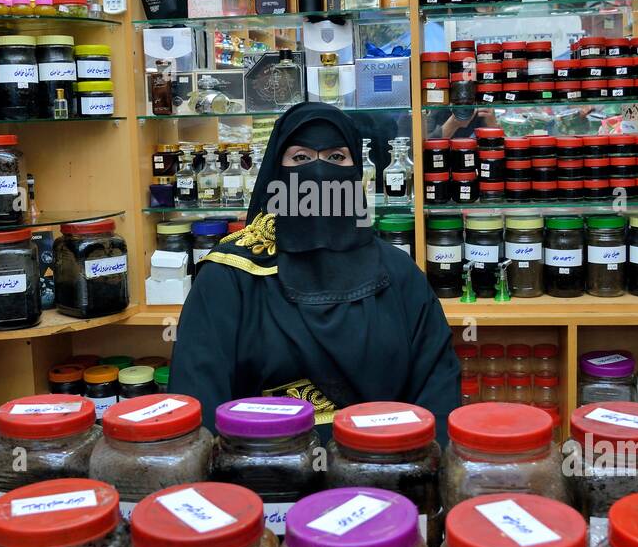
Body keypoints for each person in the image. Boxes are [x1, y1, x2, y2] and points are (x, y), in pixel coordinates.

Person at [168, 103, 460, 430]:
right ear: (276, 175)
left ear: (354, 175)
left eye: (336, 158)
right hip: (260, 471)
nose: (318, 173)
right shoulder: (230, 277)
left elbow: (438, 397)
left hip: (384, 469)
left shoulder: (399, 274)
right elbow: (198, 411)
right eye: (301, 159)